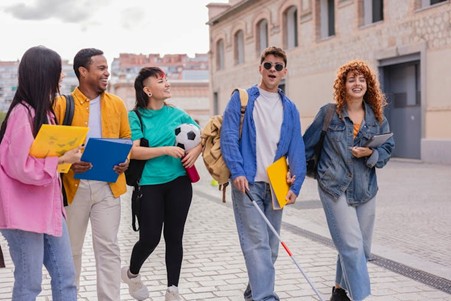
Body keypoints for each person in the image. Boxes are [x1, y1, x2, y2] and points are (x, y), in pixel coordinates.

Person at [303, 60, 395, 301]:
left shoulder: (377, 118)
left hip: (366, 188)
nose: (357, 83)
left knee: (360, 247)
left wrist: (371, 154)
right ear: (342, 85)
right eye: (351, 79)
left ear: (369, 85)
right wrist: (291, 181)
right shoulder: (329, 113)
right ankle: (361, 297)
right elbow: (305, 148)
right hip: (334, 187)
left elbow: (387, 149)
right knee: (351, 245)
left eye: (362, 79)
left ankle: (339, 290)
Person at [221, 46, 306, 301]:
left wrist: (296, 184)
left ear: (285, 72)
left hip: (276, 185)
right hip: (248, 183)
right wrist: (236, 170)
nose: (272, 70)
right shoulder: (243, 98)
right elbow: (228, 137)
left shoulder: (289, 107)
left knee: (270, 248)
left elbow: (296, 147)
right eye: (268, 65)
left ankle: (253, 290)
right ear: (260, 68)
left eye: (278, 67)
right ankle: (265, 297)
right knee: (256, 243)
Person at [0, 45, 81, 300]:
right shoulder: (21, 114)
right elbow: (21, 167)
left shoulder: (44, 112)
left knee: (66, 278)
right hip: (23, 213)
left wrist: (68, 158)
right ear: (44, 73)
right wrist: (61, 160)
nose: (62, 77)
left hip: (47, 209)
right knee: (29, 284)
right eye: (58, 71)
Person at [53, 48, 131, 301]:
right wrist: (68, 164)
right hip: (73, 188)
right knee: (71, 250)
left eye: (107, 68)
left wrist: (125, 160)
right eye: (100, 68)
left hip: (108, 186)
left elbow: (125, 139)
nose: (107, 72)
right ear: (82, 72)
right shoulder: (62, 104)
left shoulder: (117, 104)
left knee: (109, 248)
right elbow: (52, 148)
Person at [121, 67, 202, 301]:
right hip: (149, 185)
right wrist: (165, 150)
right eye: (160, 81)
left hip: (179, 182)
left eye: (166, 80)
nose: (167, 84)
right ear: (147, 90)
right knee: (150, 238)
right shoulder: (135, 116)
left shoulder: (178, 114)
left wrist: (195, 152)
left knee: (174, 237)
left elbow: (202, 137)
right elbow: (134, 151)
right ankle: (132, 274)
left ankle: (172, 290)